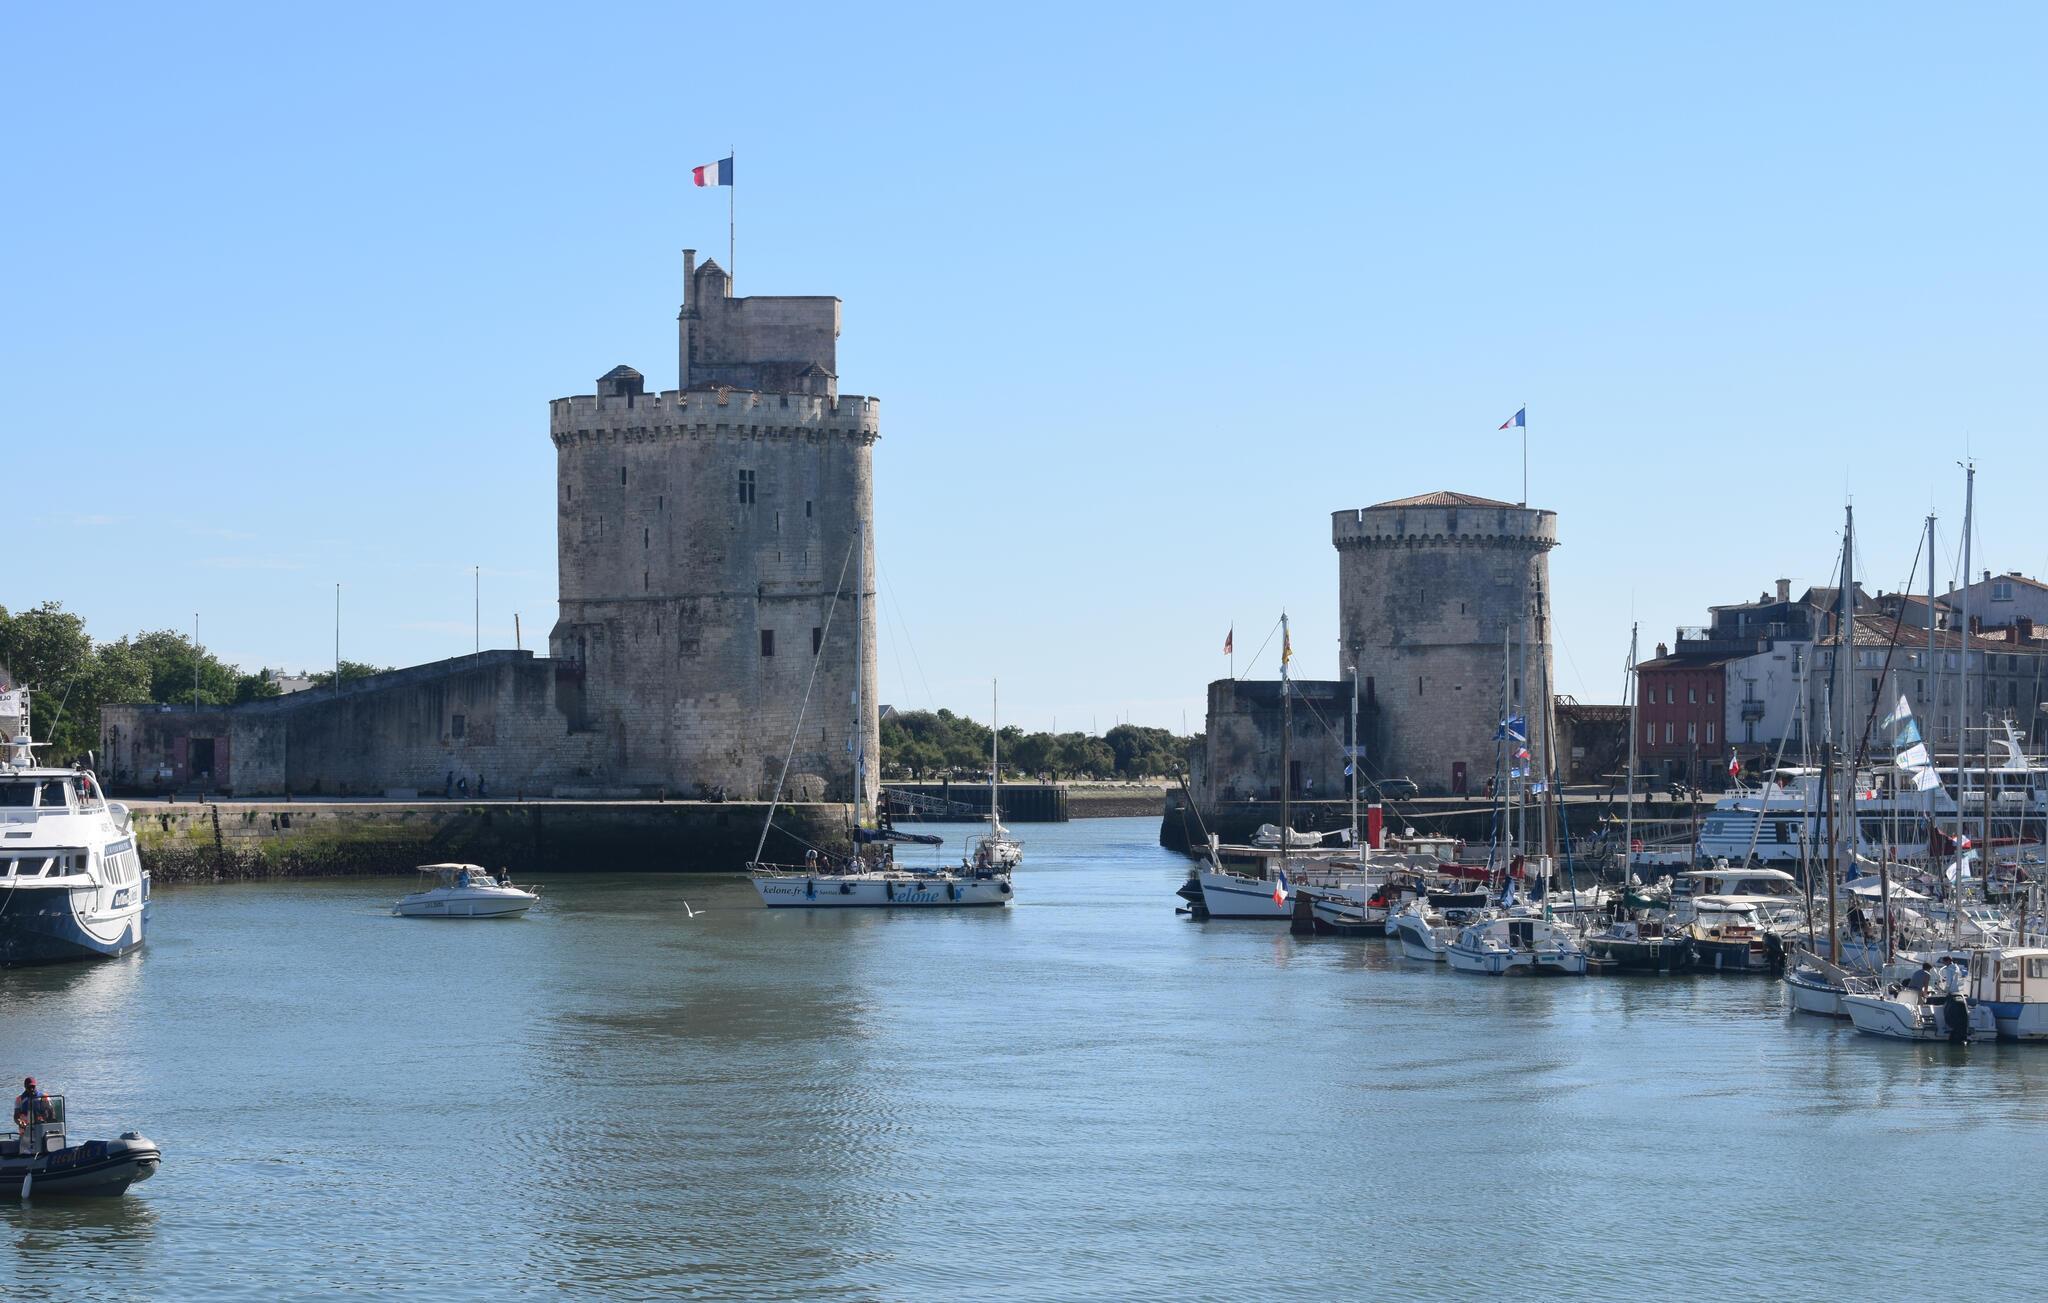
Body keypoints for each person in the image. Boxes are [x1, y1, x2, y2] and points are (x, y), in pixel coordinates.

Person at [14, 1076, 52, 1150]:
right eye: (29, 1087)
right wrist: (21, 1123)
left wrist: (49, 1122)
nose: (31, 1089)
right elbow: (16, 1117)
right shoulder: (19, 1099)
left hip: (42, 1128)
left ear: (35, 1086)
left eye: (33, 1086)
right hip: (26, 1130)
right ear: (25, 1087)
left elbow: (52, 1113)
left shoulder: (44, 1097)